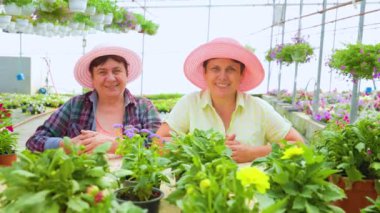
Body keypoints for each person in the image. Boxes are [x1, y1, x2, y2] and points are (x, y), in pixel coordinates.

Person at [156, 38, 304, 163]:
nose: (223, 77)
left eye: (231, 69)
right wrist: (205, 150)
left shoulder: (258, 108)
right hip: (200, 191)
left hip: (249, 192)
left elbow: (298, 145)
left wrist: (254, 153)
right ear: (205, 73)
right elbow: (158, 143)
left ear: (241, 75)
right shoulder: (189, 103)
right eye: (215, 69)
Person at [26, 46, 161, 153]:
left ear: (126, 74)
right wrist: (64, 145)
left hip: (131, 183)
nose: (110, 78)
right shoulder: (76, 105)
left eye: (117, 71)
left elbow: (159, 146)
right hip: (85, 182)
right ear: (92, 78)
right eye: (102, 72)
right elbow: (34, 141)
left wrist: (115, 145)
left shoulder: (144, 107)